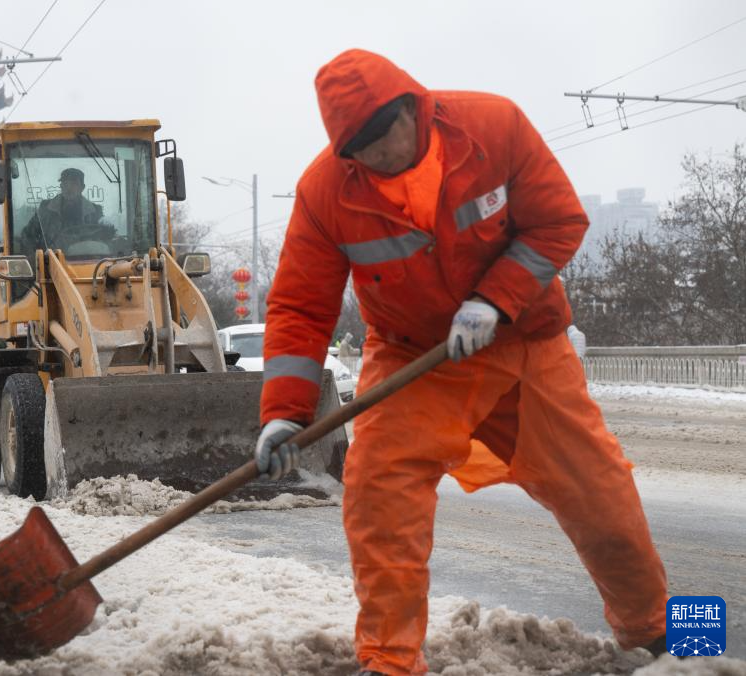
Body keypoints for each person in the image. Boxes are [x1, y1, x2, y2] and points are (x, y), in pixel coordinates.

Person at [253, 49, 668, 675]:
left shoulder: (493, 127)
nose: (377, 157)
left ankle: (679, 638)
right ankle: (388, 662)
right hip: (413, 356)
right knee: (378, 499)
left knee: (603, 498)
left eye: (382, 139)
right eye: (358, 150)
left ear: (410, 110)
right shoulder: (326, 191)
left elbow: (559, 221)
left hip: (524, 344)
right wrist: (283, 413)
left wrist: (493, 301)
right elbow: (299, 308)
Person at [20, 167, 113, 253]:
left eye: (74, 183)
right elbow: (27, 236)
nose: (69, 188)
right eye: (65, 183)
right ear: (61, 186)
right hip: (51, 262)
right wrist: (36, 258)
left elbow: (105, 238)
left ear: (82, 187)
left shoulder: (95, 212)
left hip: (85, 260)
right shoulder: (45, 210)